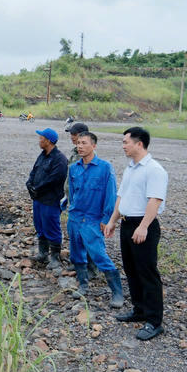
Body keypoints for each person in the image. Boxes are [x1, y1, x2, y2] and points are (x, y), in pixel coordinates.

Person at [103, 126, 168, 341]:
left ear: (139, 144)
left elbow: (155, 200)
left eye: (125, 142)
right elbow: (121, 197)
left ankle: (154, 321)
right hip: (127, 223)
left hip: (144, 225)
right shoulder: (131, 168)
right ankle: (139, 310)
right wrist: (112, 221)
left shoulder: (154, 169)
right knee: (131, 269)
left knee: (147, 272)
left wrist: (144, 226)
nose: (123, 146)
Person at [66, 131, 124, 306]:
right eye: (78, 143)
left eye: (84, 143)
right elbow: (71, 192)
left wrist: (107, 219)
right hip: (75, 218)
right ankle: (83, 285)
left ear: (94, 146)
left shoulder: (105, 168)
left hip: (93, 219)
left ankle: (117, 293)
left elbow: (111, 195)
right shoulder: (73, 168)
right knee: (76, 253)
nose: (80, 146)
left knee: (99, 254)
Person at [26, 127, 68, 272]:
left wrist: (38, 188)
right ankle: (43, 253)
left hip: (50, 200)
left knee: (52, 227)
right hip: (38, 199)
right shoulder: (42, 155)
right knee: (39, 225)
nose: (39, 140)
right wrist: (29, 184)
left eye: (41, 138)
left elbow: (54, 179)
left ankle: (55, 258)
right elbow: (34, 171)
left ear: (48, 141)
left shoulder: (60, 159)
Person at [60, 121, 95, 277]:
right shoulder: (74, 153)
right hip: (73, 200)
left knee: (87, 235)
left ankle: (92, 268)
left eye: (73, 134)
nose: (71, 137)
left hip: (85, 204)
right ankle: (78, 263)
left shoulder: (88, 157)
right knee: (74, 234)